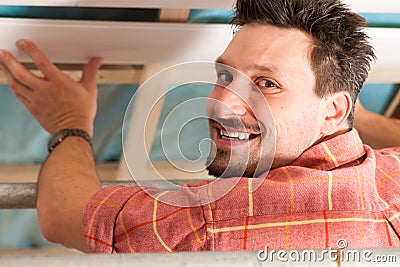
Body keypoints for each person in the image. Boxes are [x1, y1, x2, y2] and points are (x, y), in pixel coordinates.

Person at [0, 0, 399, 253]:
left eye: (266, 84)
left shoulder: (222, 217)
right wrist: (328, 114)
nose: (222, 104)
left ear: (333, 110)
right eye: (225, 78)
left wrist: (69, 123)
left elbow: (66, 215)